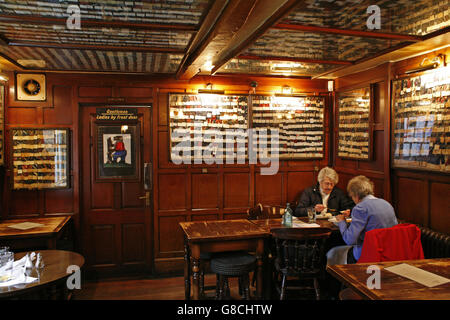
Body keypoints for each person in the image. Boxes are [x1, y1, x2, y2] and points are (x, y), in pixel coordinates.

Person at [326, 175, 398, 265]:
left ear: (356, 195)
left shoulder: (360, 208)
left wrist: (341, 221)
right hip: (389, 252)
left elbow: (349, 240)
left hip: (368, 253)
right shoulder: (387, 204)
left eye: (352, 196)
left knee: (333, 252)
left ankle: (341, 278)